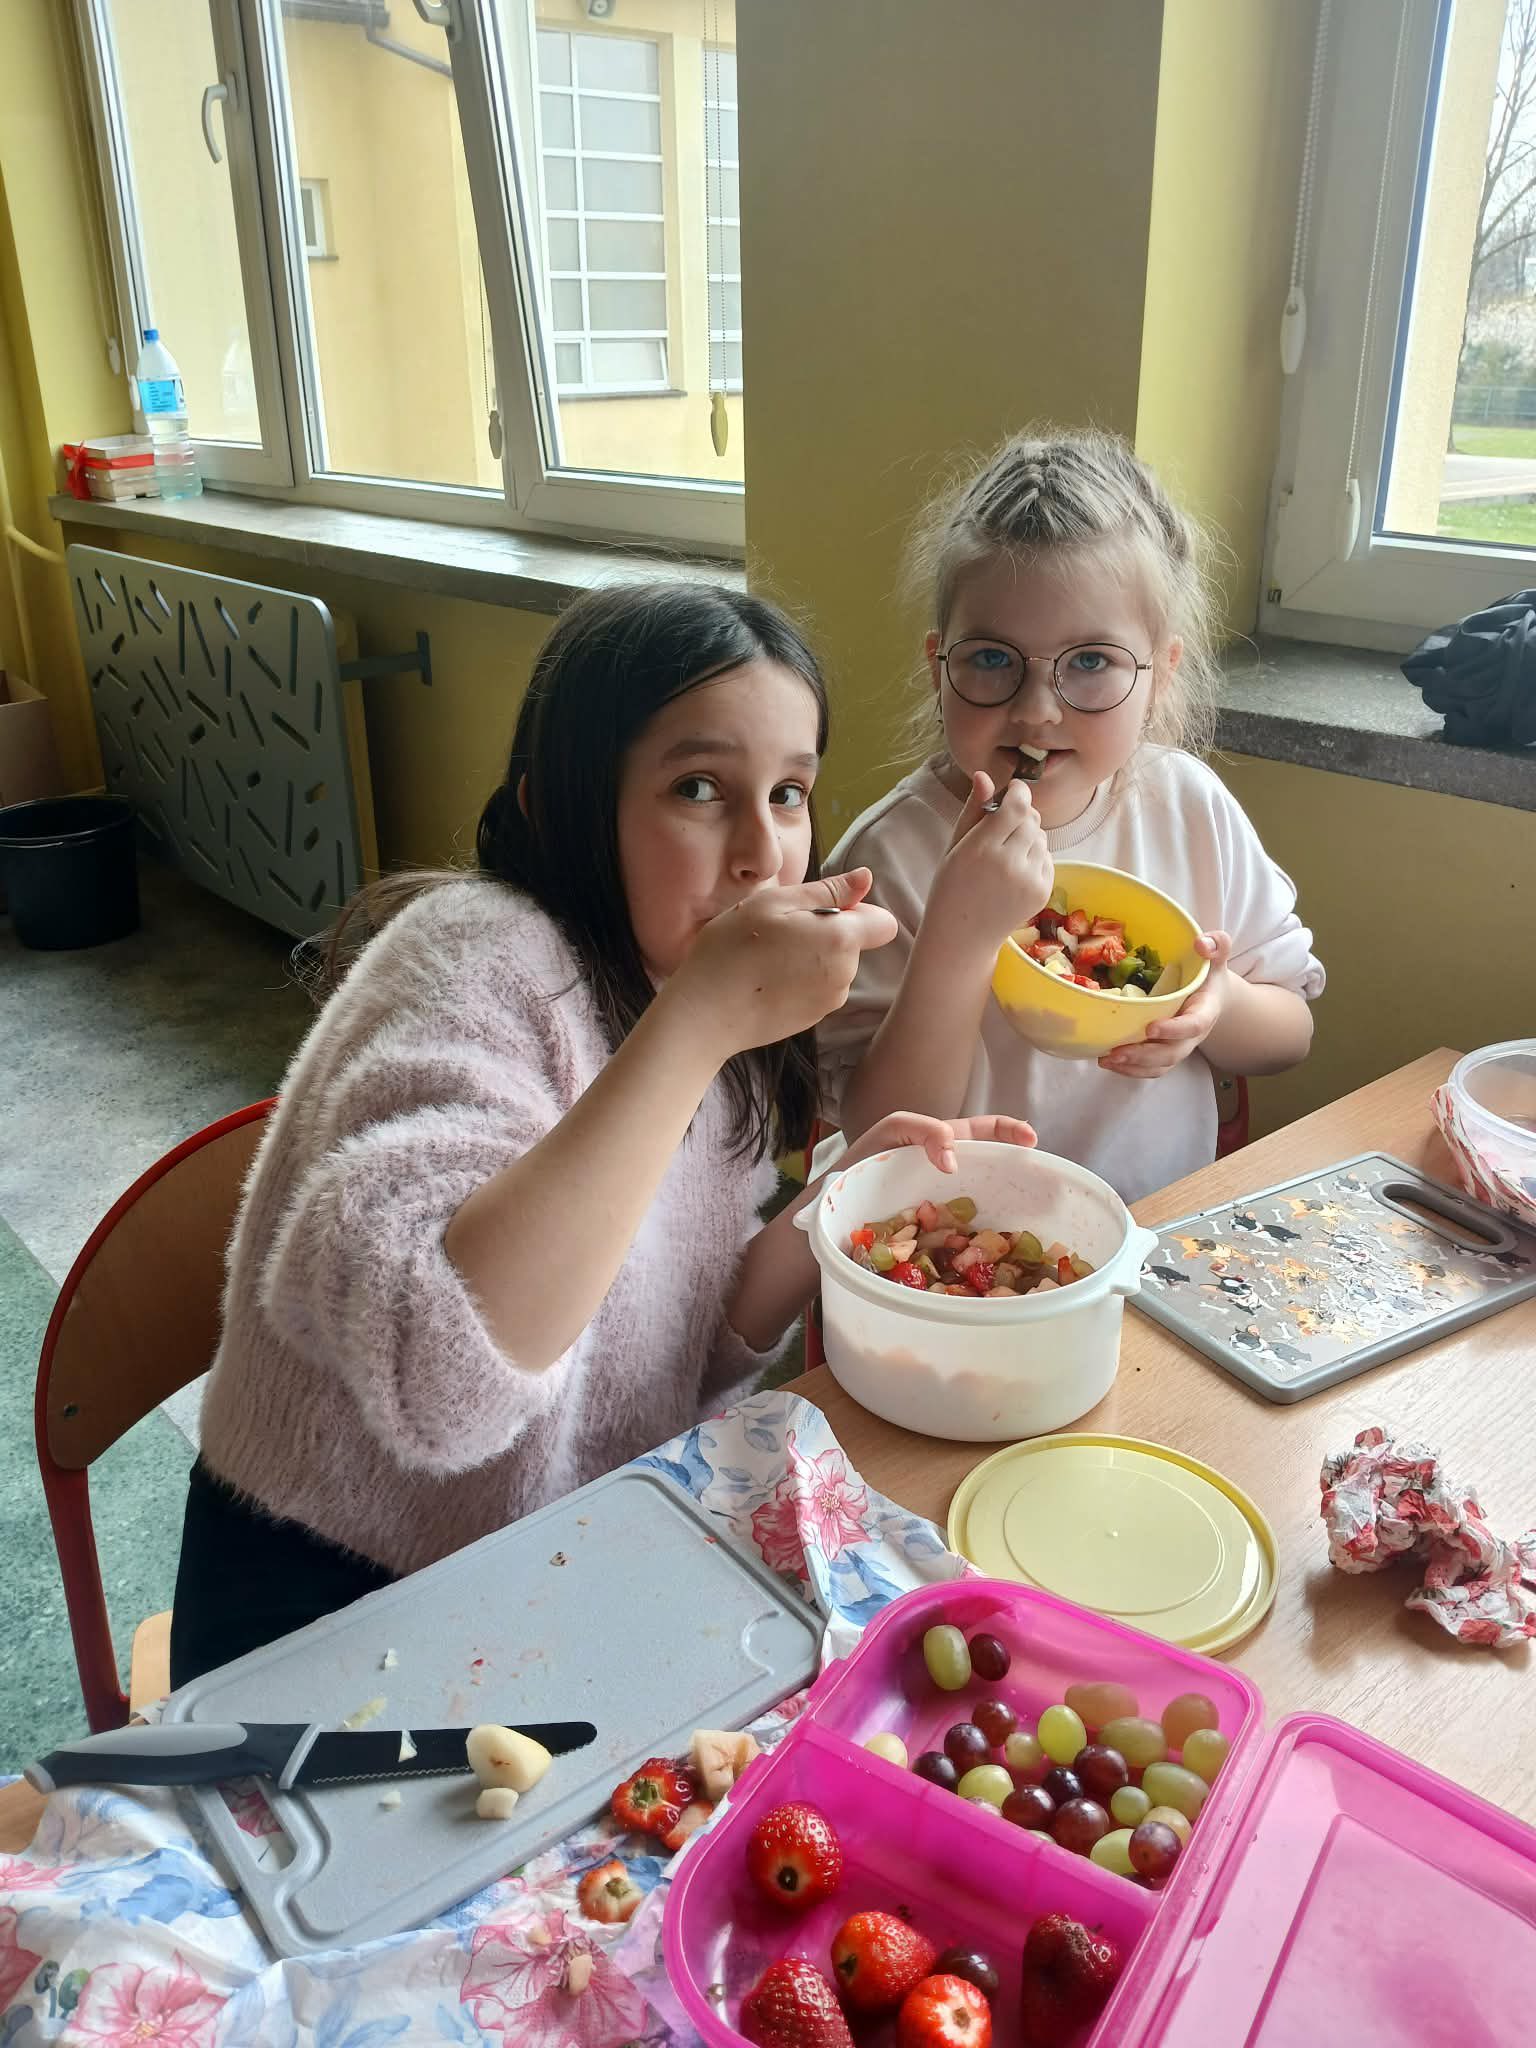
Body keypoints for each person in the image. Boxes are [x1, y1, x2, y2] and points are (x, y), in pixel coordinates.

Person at [170, 582, 1031, 1683]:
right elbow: (445, 1385)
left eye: (788, 793)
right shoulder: (474, 960)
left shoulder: (686, 992)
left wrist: (835, 1206)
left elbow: (680, 1346)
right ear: (561, 807)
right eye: (698, 788)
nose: (763, 853)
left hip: (557, 1565)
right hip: (333, 1602)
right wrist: (698, 1024)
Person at [821, 429, 1324, 1205]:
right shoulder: (888, 858)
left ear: (1160, 676)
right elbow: (873, 1127)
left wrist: (1215, 1003)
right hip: (955, 1244)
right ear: (937, 668)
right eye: (992, 658)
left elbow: (1290, 1035)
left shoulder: (1188, 809)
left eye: (1090, 661)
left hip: (1154, 1227)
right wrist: (958, 936)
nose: (1037, 710)